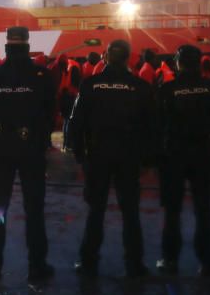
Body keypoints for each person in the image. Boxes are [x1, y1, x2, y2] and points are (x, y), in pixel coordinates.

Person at [67, 38, 156, 277]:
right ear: (128, 58)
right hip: (129, 156)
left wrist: (79, 155)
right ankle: (134, 264)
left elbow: (76, 124)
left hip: (98, 156)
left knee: (96, 210)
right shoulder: (140, 87)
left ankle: (88, 261)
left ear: (106, 57)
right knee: (130, 212)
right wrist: (147, 160)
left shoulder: (90, 85)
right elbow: (152, 126)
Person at [0, 27, 57, 282]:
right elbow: (50, 113)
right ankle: (37, 265)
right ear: (27, 45)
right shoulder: (42, 75)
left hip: (2, 149)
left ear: (6, 47)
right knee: (34, 208)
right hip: (32, 150)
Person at [155, 45, 210, 275]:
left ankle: (170, 259)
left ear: (178, 63)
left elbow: (158, 123)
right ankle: (206, 260)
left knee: (172, 210)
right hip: (202, 152)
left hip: (174, 154)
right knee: (203, 208)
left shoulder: (168, 89)